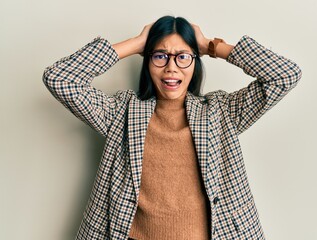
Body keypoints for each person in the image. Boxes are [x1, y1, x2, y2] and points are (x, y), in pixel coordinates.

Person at [43, 15, 302, 240]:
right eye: (160, 56)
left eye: (183, 57)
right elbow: (59, 78)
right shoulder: (121, 112)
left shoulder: (221, 112)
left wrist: (211, 46)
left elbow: (285, 75)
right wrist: (136, 44)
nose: (171, 67)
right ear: (147, 62)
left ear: (195, 62)